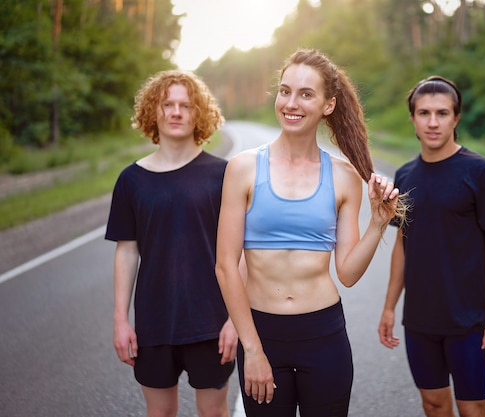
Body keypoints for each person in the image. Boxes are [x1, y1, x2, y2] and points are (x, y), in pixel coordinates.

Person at [214, 48, 404, 417]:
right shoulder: (242, 168)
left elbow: (347, 273)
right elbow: (225, 266)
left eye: (305, 94)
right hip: (262, 333)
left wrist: (378, 224)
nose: (291, 103)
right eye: (285, 91)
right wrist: (251, 349)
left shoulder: (344, 176)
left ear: (327, 105)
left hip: (324, 334)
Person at [377, 76, 485, 417]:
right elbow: (401, 244)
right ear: (412, 118)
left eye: (442, 113)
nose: (433, 122)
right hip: (420, 320)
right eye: (424, 113)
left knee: (472, 408)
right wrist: (390, 306)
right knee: (434, 405)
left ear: (456, 117)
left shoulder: (481, 172)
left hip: (467, 321)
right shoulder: (405, 175)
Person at [105, 70, 237, 417]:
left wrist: (235, 320)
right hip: (154, 321)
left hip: (211, 321)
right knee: (160, 413)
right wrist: (121, 320)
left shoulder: (223, 175)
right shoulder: (131, 180)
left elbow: (240, 253)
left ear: (198, 114)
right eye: (167, 104)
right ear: (154, 111)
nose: (176, 112)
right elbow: (127, 251)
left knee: (213, 413)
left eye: (185, 105)